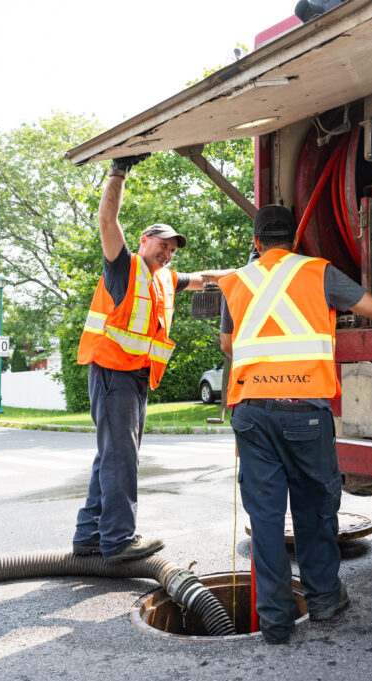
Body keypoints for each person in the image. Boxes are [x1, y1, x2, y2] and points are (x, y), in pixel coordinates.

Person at [219, 204, 372, 644]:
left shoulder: (236, 281)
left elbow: (228, 344)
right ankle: (323, 599)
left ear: (257, 242)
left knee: (265, 519)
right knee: (315, 509)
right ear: (294, 241)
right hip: (303, 411)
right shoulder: (317, 272)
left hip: (251, 413)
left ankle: (275, 621)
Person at [73, 154, 232, 563]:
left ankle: (89, 535)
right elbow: (107, 220)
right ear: (144, 240)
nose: (168, 254)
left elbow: (206, 279)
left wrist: (253, 270)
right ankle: (118, 540)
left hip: (135, 378)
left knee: (113, 455)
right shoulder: (123, 267)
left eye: (172, 251)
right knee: (120, 457)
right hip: (113, 374)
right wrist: (118, 172)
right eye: (163, 246)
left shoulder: (164, 279)